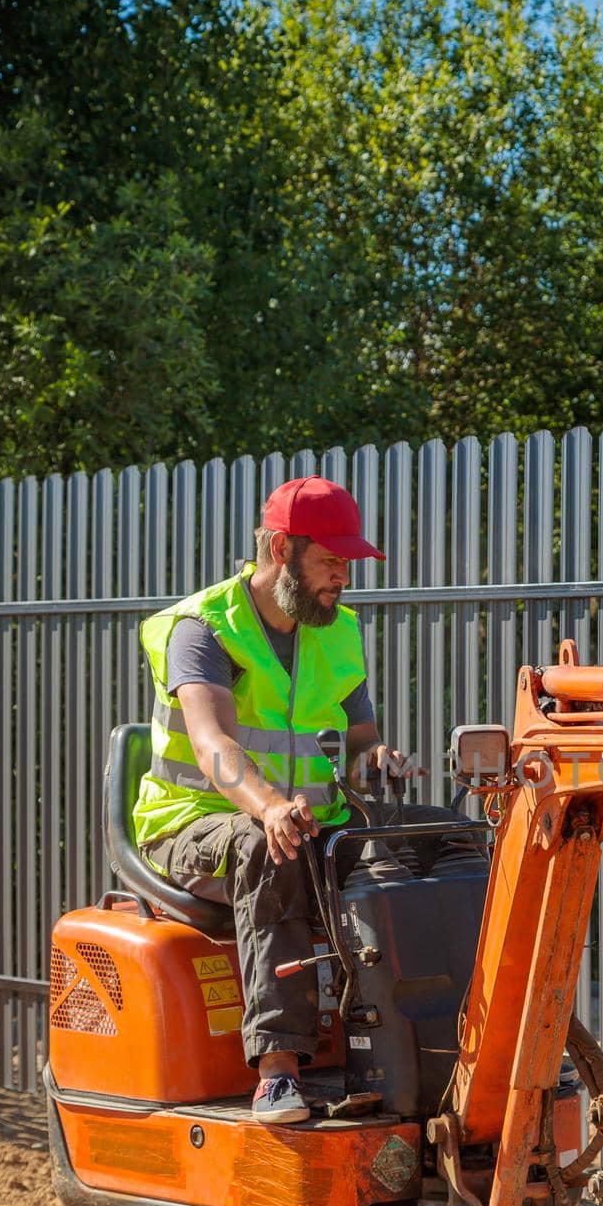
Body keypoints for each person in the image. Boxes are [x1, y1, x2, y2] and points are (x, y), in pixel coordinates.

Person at [132, 476, 404, 1124]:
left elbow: (362, 742)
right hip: (191, 825)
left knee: (434, 846)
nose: (343, 576)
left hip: (310, 826)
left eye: (348, 562)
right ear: (281, 549)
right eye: (330, 561)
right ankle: (278, 1073)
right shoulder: (203, 629)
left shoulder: (335, 630)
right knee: (268, 844)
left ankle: (417, 1049)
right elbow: (213, 745)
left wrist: (379, 760)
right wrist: (268, 805)